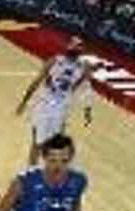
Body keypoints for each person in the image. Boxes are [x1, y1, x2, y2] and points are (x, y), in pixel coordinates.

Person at [16, 37, 94, 165]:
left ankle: (48, 172)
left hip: (60, 110)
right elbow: (36, 82)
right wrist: (24, 102)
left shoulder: (82, 67)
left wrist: (87, 110)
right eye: (73, 44)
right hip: (44, 107)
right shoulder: (54, 61)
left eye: (78, 45)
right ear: (68, 46)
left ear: (81, 49)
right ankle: (31, 172)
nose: (74, 47)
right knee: (38, 143)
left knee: (54, 146)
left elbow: (85, 89)